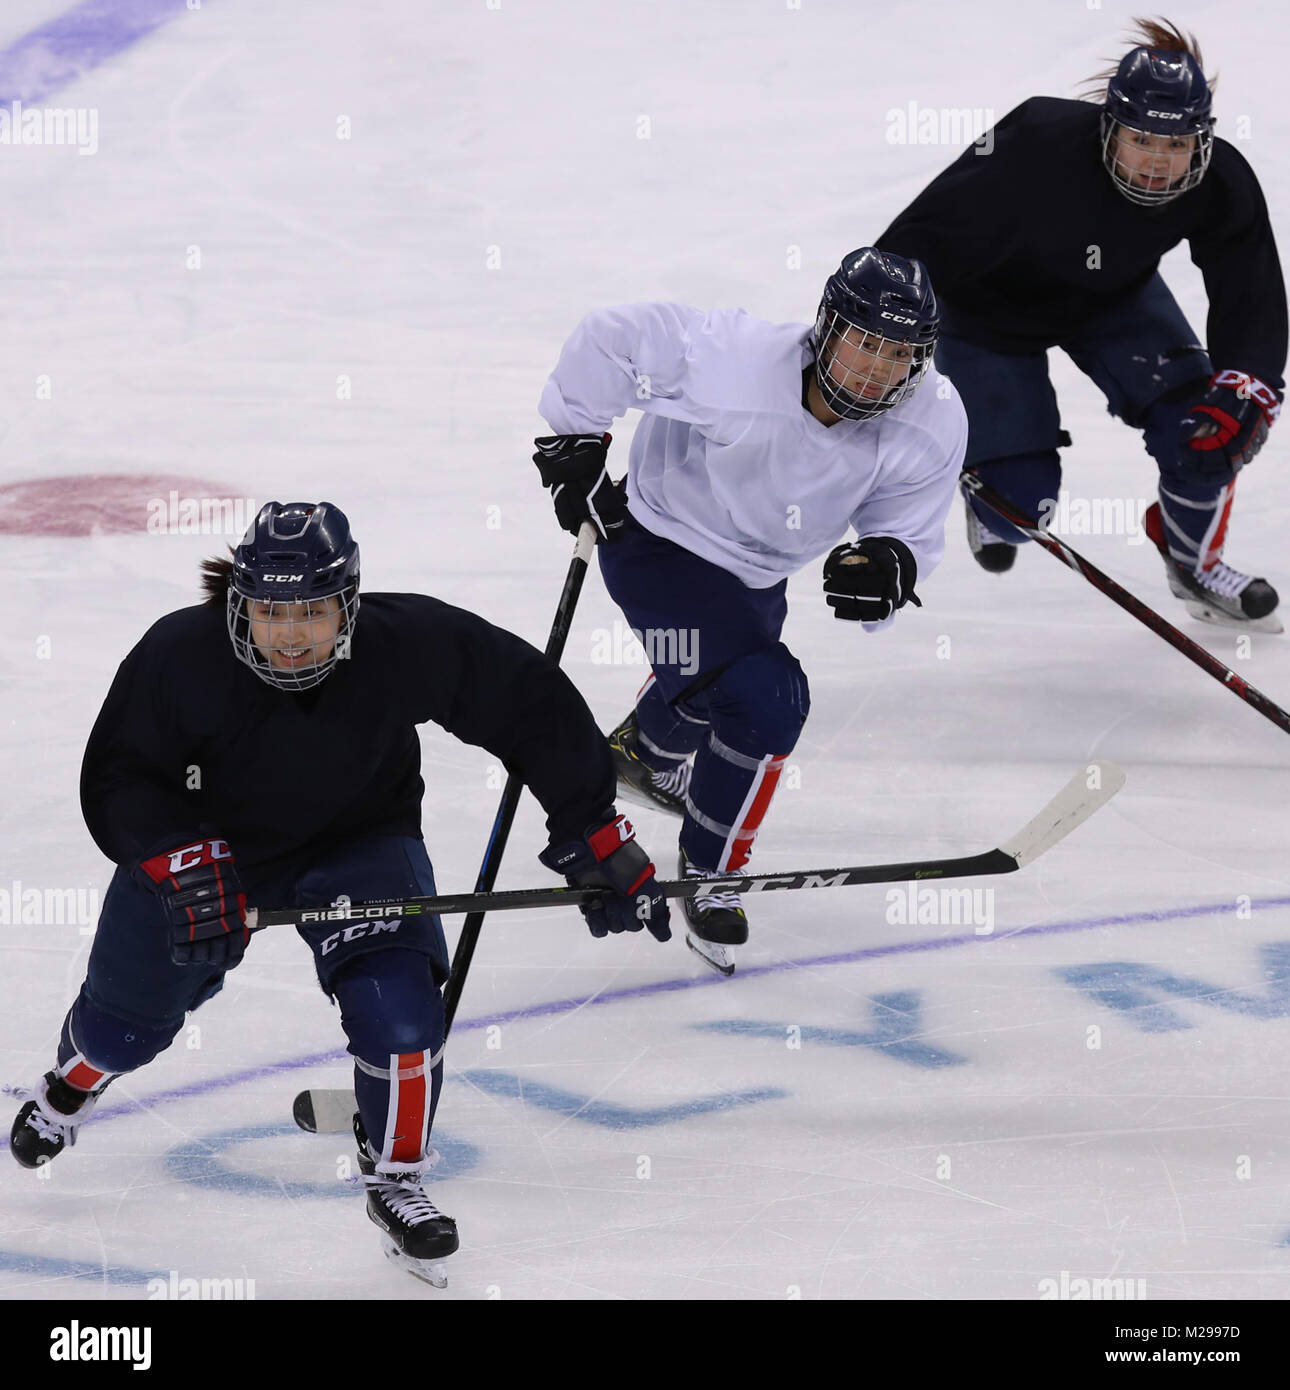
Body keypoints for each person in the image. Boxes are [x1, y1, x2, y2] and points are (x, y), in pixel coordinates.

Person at [8, 501, 669, 1287]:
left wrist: (592, 828)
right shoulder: (177, 656)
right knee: (121, 1034)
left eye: (313, 612)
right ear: (239, 604)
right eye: (271, 611)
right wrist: (179, 859)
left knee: (400, 1020)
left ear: (348, 606)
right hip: (207, 855)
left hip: (360, 844)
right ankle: (74, 1080)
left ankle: (395, 1174)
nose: (290, 633)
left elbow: (524, 702)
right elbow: (118, 775)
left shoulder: (401, 644)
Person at [531, 249, 967, 974]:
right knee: (766, 701)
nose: (874, 368)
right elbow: (614, 337)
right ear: (826, 328)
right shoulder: (732, 363)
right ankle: (711, 871)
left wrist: (890, 563)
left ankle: (646, 750)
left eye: (898, 353)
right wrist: (573, 441)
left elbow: (907, 525)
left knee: (722, 683)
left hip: (760, 575)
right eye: (863, 341)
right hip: (655, 542)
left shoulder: (931, 417)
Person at [876, 17, 1287, 632]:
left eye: (1175, 145)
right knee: (1019, 508)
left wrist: (1247, 379)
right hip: (990, 314)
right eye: (1141, 139)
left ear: (1201, 140)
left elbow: (1249, 294)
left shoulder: (1220, 180)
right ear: (1109, 127)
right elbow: (922, 237)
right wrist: (873, 348)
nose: (1156, 161)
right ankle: (991, 487)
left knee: (1206, 434)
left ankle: (1193, 562)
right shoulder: (1036, 140)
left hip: (1113, 301)